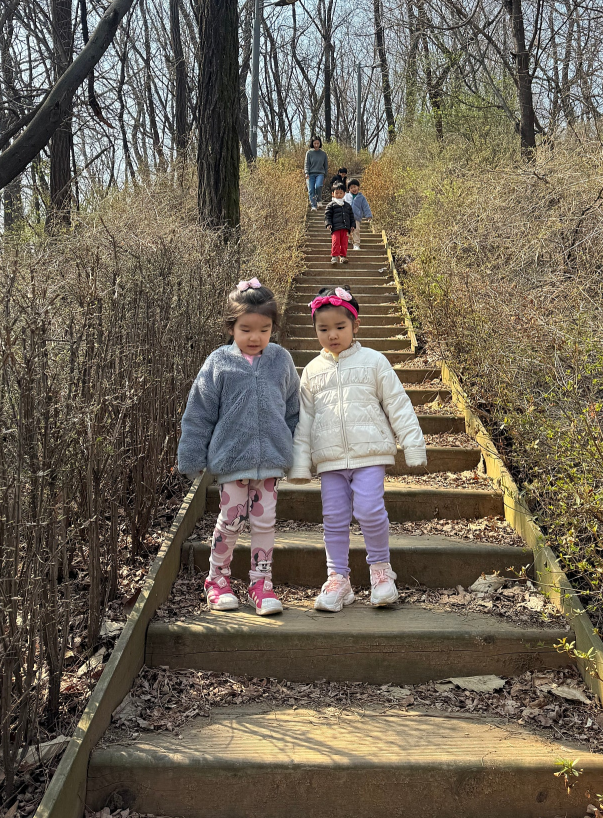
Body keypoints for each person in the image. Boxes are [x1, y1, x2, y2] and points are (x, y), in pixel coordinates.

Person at [289, 286, 427, 611]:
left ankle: (381, 572)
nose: (332, 335)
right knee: (334, 518)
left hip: (369, 455)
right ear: (315, 330)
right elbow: (303, 420)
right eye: (323, 329)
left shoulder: (373, 361)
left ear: (356, 326)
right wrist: (298, 464)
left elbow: (398, 403)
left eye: (340, 327)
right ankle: (338, 579)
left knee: (369, 510)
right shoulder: (311, 371)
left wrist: (413, 443)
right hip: (330, 459)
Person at [177, 280, 300, 615]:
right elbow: (198, 413)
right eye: (246, 329)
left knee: (265, 523)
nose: (255, 337)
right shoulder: (218, 363)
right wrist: (192, 456)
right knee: (230, 521)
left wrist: (292, 448)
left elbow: (293, 408)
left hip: (271, 461)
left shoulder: (280, 360)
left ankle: (262, 584)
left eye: (264, 329)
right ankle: (217, 579)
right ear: (230, 327)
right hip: (232, 461)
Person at [324, 181, 355, 264]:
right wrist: (328, 223)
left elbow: (351, 216)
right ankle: (334, 256)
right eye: (336, 193)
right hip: (335, 227)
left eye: (341, 193)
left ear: (344, 194)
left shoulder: (347, 205)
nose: (338, 195)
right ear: (333, 194)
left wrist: (352, 225)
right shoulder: (331, 205)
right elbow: (327, 215)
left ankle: (343, 256)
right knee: (336, 242)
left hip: (345, 227)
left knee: (344, 243)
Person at [304, 137, 329, 210]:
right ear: (312, 143)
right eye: (315, 143)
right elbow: (307, 164)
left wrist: (325, 175)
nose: (316, 145)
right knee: (311, 189)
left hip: (320, 173)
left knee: (318, 186)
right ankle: (313, 205)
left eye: (318, 143)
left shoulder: (323, 154)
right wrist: (306, 173)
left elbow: (326, 165)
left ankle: (319, 201)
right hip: (311, 173)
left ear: (320, 143)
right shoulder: (309, 153)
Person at [347, 179, 372, 250]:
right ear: (349, 189)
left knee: (356, 230)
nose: (353, 189)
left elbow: (365, 207)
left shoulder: (361, 197)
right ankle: (348, 239)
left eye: (355, 187)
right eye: (351, 188)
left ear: (358, 187)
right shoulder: (346, 196)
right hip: (347, 217)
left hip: (356, 217)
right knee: (346, 230)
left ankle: (356, 244)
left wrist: (368, 216)